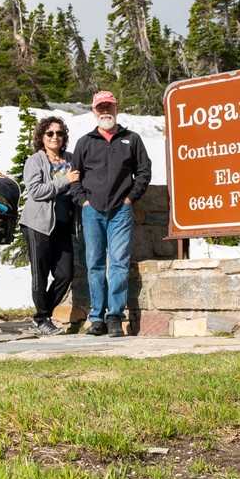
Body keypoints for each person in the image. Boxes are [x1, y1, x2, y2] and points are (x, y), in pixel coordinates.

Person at [70, 90, 152, 337]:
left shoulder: (132, 139)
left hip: (120, 212)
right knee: (94, 264)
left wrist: (129, 199)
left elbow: (144, 172)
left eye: (109, 106)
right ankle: (97, 318)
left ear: (117, 109)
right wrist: (83, 201)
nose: (105, 111)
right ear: (94, 111)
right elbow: (75, 177)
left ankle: (114, 316)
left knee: (118, 264)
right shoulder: (85, 142)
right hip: (92, 211)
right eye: (101, 107)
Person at [19, 116, 79, 336]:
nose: (55, 137)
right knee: (40, 274)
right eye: (50, 133)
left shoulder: (71, 159)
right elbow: (35, 191)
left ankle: (39, 318)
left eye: (59, 133)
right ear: (42, 137)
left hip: (63, 225)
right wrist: (66, 180)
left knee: (65, 274)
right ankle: (43, 319)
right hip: (37, 225)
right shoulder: (35, 160)